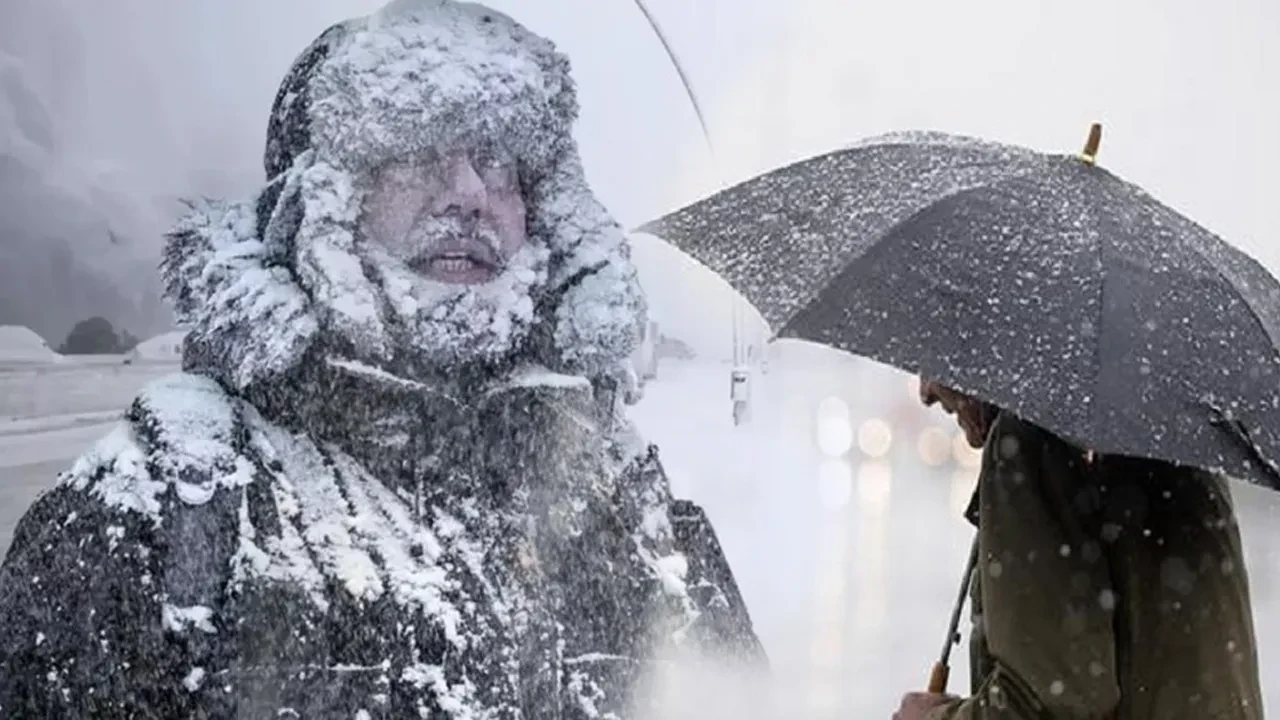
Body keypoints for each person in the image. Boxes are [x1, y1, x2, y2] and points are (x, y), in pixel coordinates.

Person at [0, 2, 764, 717]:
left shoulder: (619, 485)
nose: (468, 192)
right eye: (414, 149)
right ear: (315, 203)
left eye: (498, 159)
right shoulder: (165, 503)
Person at [895, 380, 1264, 720]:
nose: (925, 393)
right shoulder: (1170, 429)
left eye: (930, 366)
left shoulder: (1030, 437)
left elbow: (1051, 704)